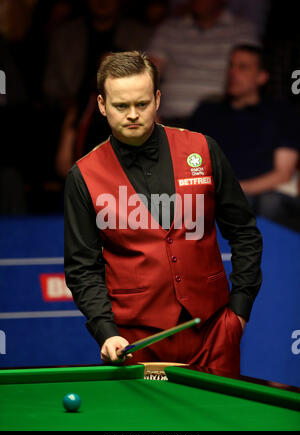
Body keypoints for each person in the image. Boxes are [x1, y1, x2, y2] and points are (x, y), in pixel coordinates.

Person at [64, 51, 263, 375]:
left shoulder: (203, 149)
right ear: (102, 105)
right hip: (136, 343)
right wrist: (106, 332)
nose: (132, 114)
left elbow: (244, 232)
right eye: (121, 105)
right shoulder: (83, 176)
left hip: (214, 334)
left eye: (142, 104)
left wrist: (238, 313)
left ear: (157, 99)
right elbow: (82, 267)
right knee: (146, 430)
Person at [189, 45, 300, 231]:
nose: (233, 72)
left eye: (243, 67)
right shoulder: (207, 111)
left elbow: (283, 173)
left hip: (260, 197)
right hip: (209, 195)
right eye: (231, 66)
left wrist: (234, 190)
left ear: (261, 77)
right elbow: (188, 162)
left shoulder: (282, 113)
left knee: (269, 203)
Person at [146, 0, 259, 128]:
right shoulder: (169, 28)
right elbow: (147, 74)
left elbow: (250, 72)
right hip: (168, 121)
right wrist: (148, 110)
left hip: (219, 121)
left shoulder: (242, 29)